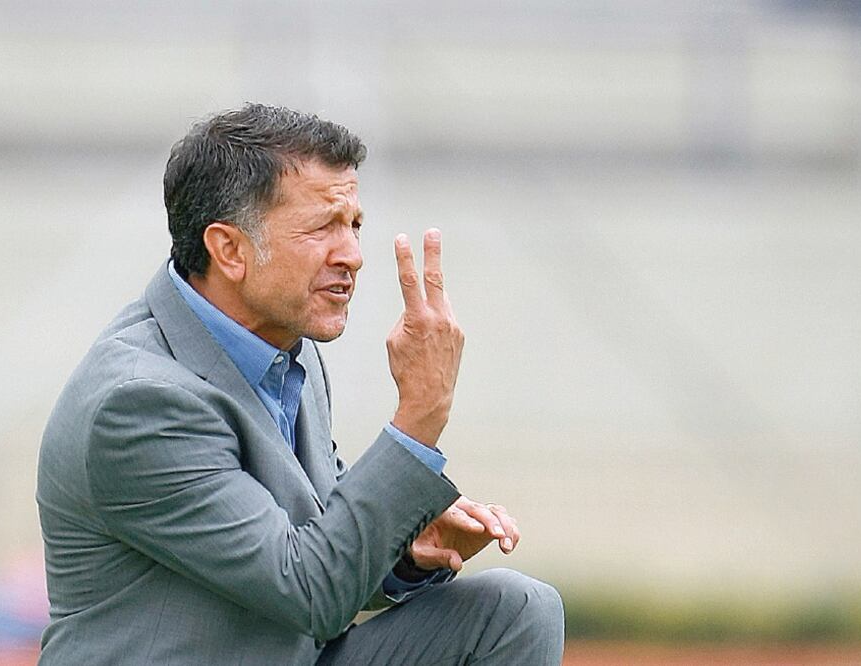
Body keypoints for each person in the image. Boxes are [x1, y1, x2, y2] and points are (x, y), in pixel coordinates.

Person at [36, 103, 564, 665]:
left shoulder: (287, 348)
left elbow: (317, 543)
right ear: (230, 250)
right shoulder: (137, 402)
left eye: (353, 225)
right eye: (321, 228)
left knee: (517, 610)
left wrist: (404, 554)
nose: (353, 257)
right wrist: (421, 413)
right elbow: (310, 591)